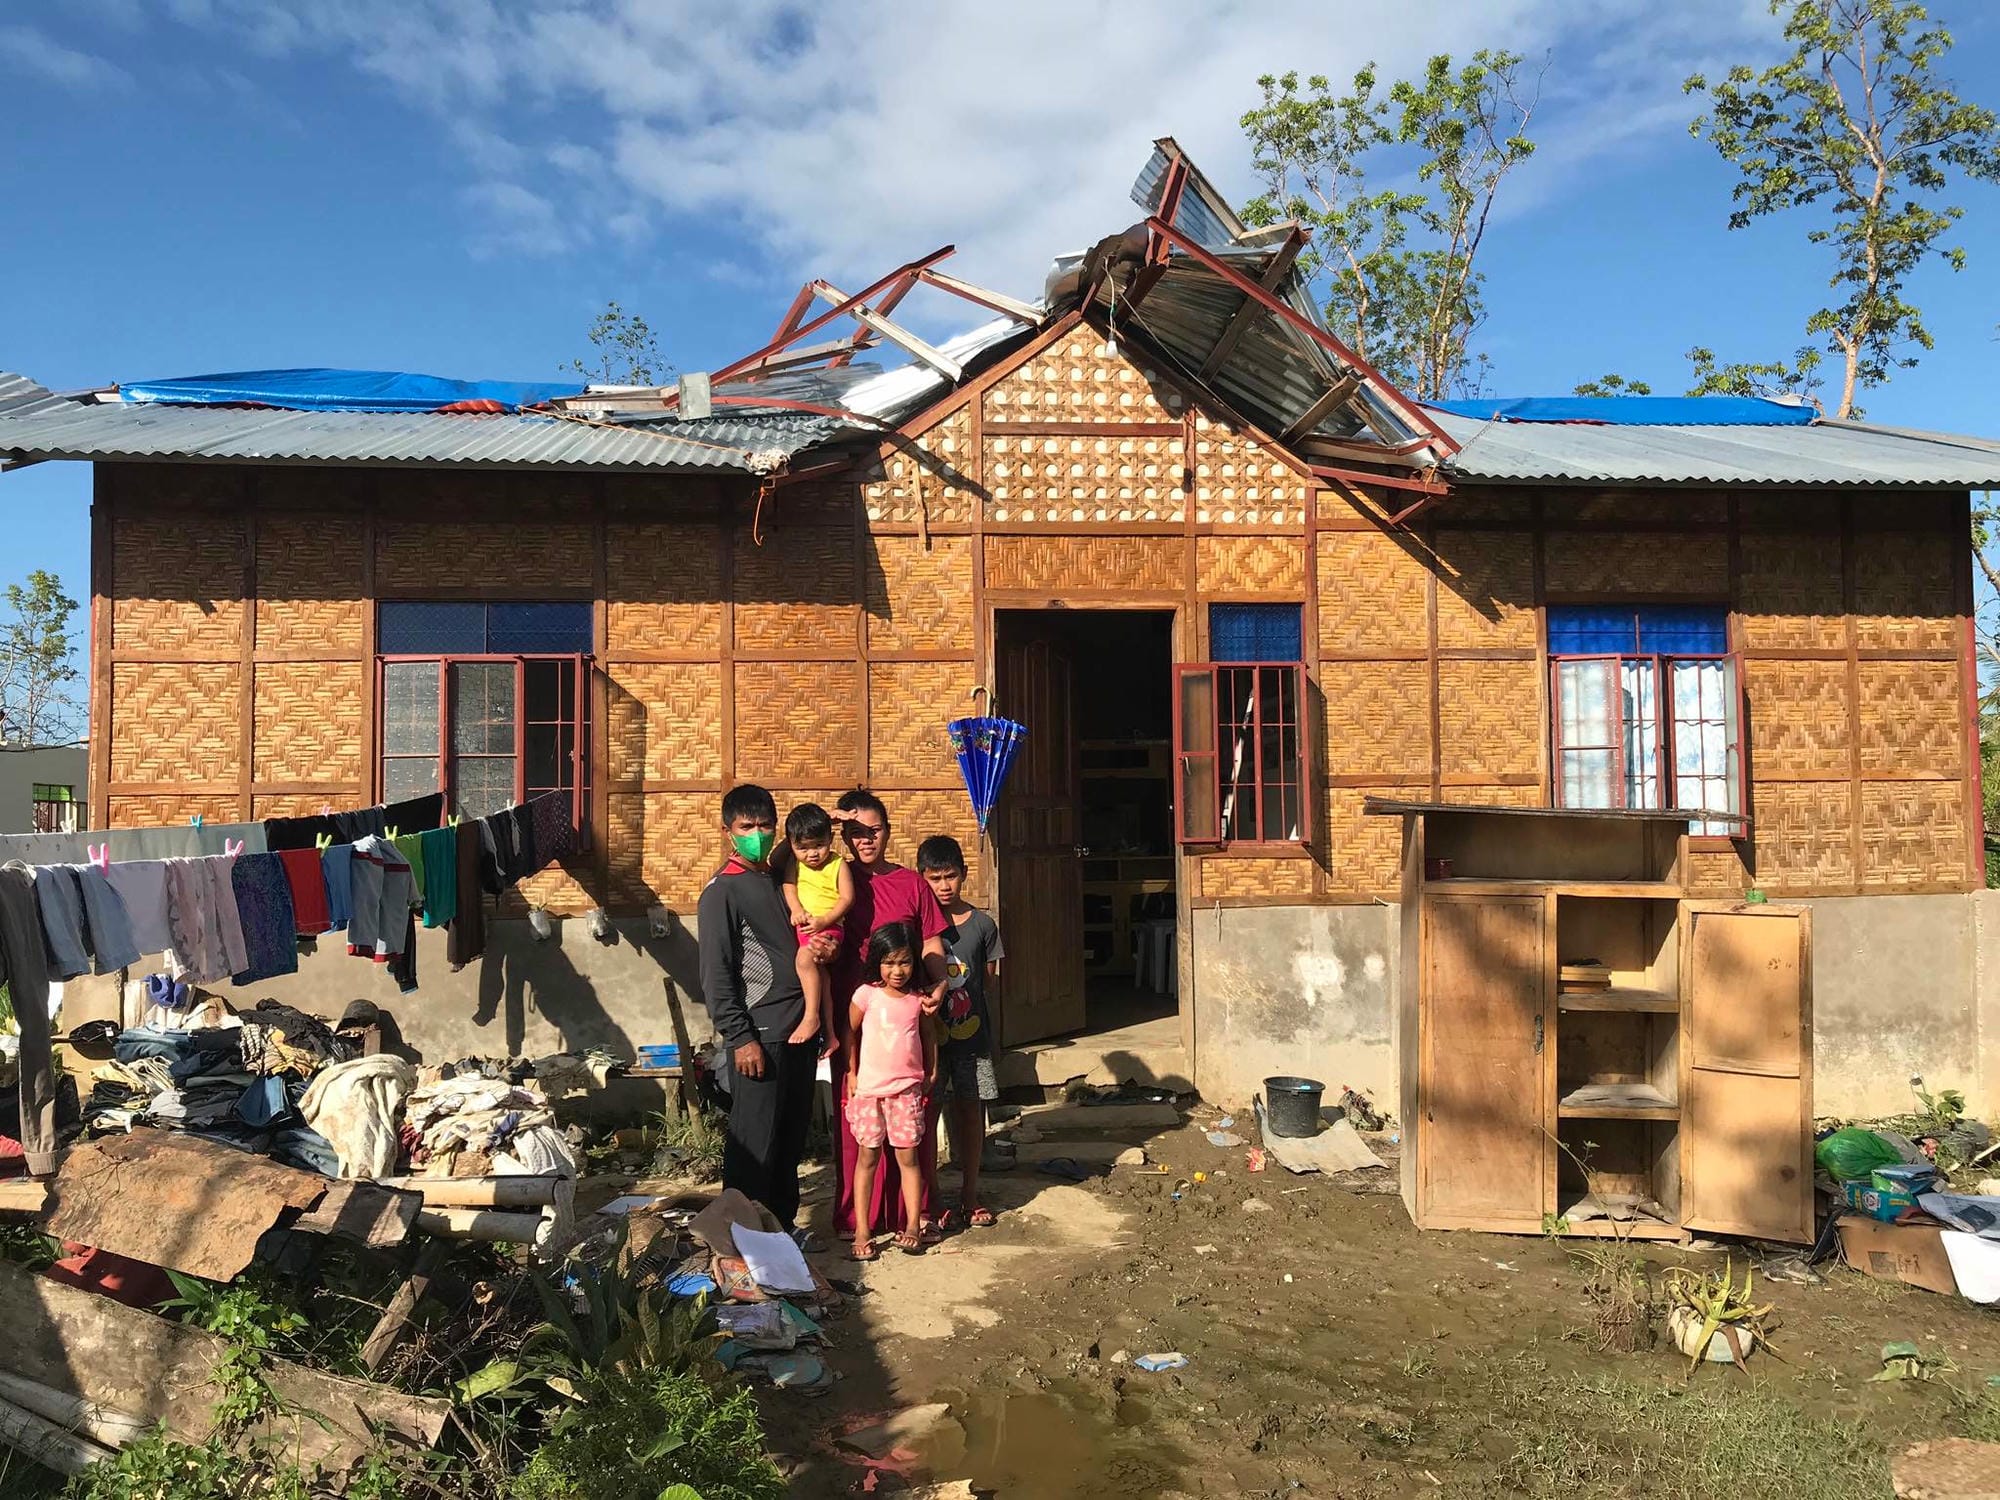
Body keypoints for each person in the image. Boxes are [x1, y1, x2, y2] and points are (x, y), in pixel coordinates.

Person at [825, 788, 950, 1240]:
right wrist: (825, 816)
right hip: (856, 1020)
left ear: (888, 832)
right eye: (854, 832)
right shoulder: (831, 878)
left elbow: (933, 943)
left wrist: (939, 983)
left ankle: (913, 1215)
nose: (865, 840)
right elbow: (788, 854)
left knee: (910, 1125)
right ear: (842, 835)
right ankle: (857, 1218)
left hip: (906, 1023)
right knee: (857, 1126)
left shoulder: (912, 884)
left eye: (873, 831)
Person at [696, 784, 816, 1231]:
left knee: (788, 1142)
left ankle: (780, 1234)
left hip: (799, 1032)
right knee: (753, 1146)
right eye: (747, 827)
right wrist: (740, 1037)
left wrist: (827, 817)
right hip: (759, 1037)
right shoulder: (721, 892)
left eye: (766, 825)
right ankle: (741, 1243)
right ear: (728, 832)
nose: (758, 834)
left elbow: (799, 841)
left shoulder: (774, 878)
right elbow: (717, 974)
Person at [917, 834, 1004, 1230]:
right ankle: (930, 1200)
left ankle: (970, 1196)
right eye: (935, 878)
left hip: (973, 1041)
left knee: (972, 1114)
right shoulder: (916, 924)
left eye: (950, 876)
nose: (944, 886)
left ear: (964, 875)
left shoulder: (983, 925)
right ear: (923, 880)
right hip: (926, 1044)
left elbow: (988, 981)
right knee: (925, 1116)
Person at [845, 920, 937, 1259]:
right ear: (877, 963)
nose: (897, 970)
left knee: (908, 1158)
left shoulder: (919, 1000)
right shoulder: (866, 995)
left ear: (914, 961)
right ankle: (863, 1230)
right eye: (889, 962)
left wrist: (932, 1071)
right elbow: (849, 1032)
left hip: (907, 1091)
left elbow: (929, 1036)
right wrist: (852, 1073)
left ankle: (913, 1225)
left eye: (905, 962)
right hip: (869, 1091)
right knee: (867, 1158)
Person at [774, 801, 854, 1054]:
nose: (812, 854)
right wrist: (796, 910)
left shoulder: (838, 864)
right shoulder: (794, 865)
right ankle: (830, 1035)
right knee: (823, 980)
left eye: (818, 845)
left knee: (804, 959)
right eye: (802, 848)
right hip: (805, 928)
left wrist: (825, 920)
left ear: (830, 839)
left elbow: (847, 898)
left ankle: (811, 1017)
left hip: (828, 928)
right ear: (791, 845)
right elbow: (789, 886)